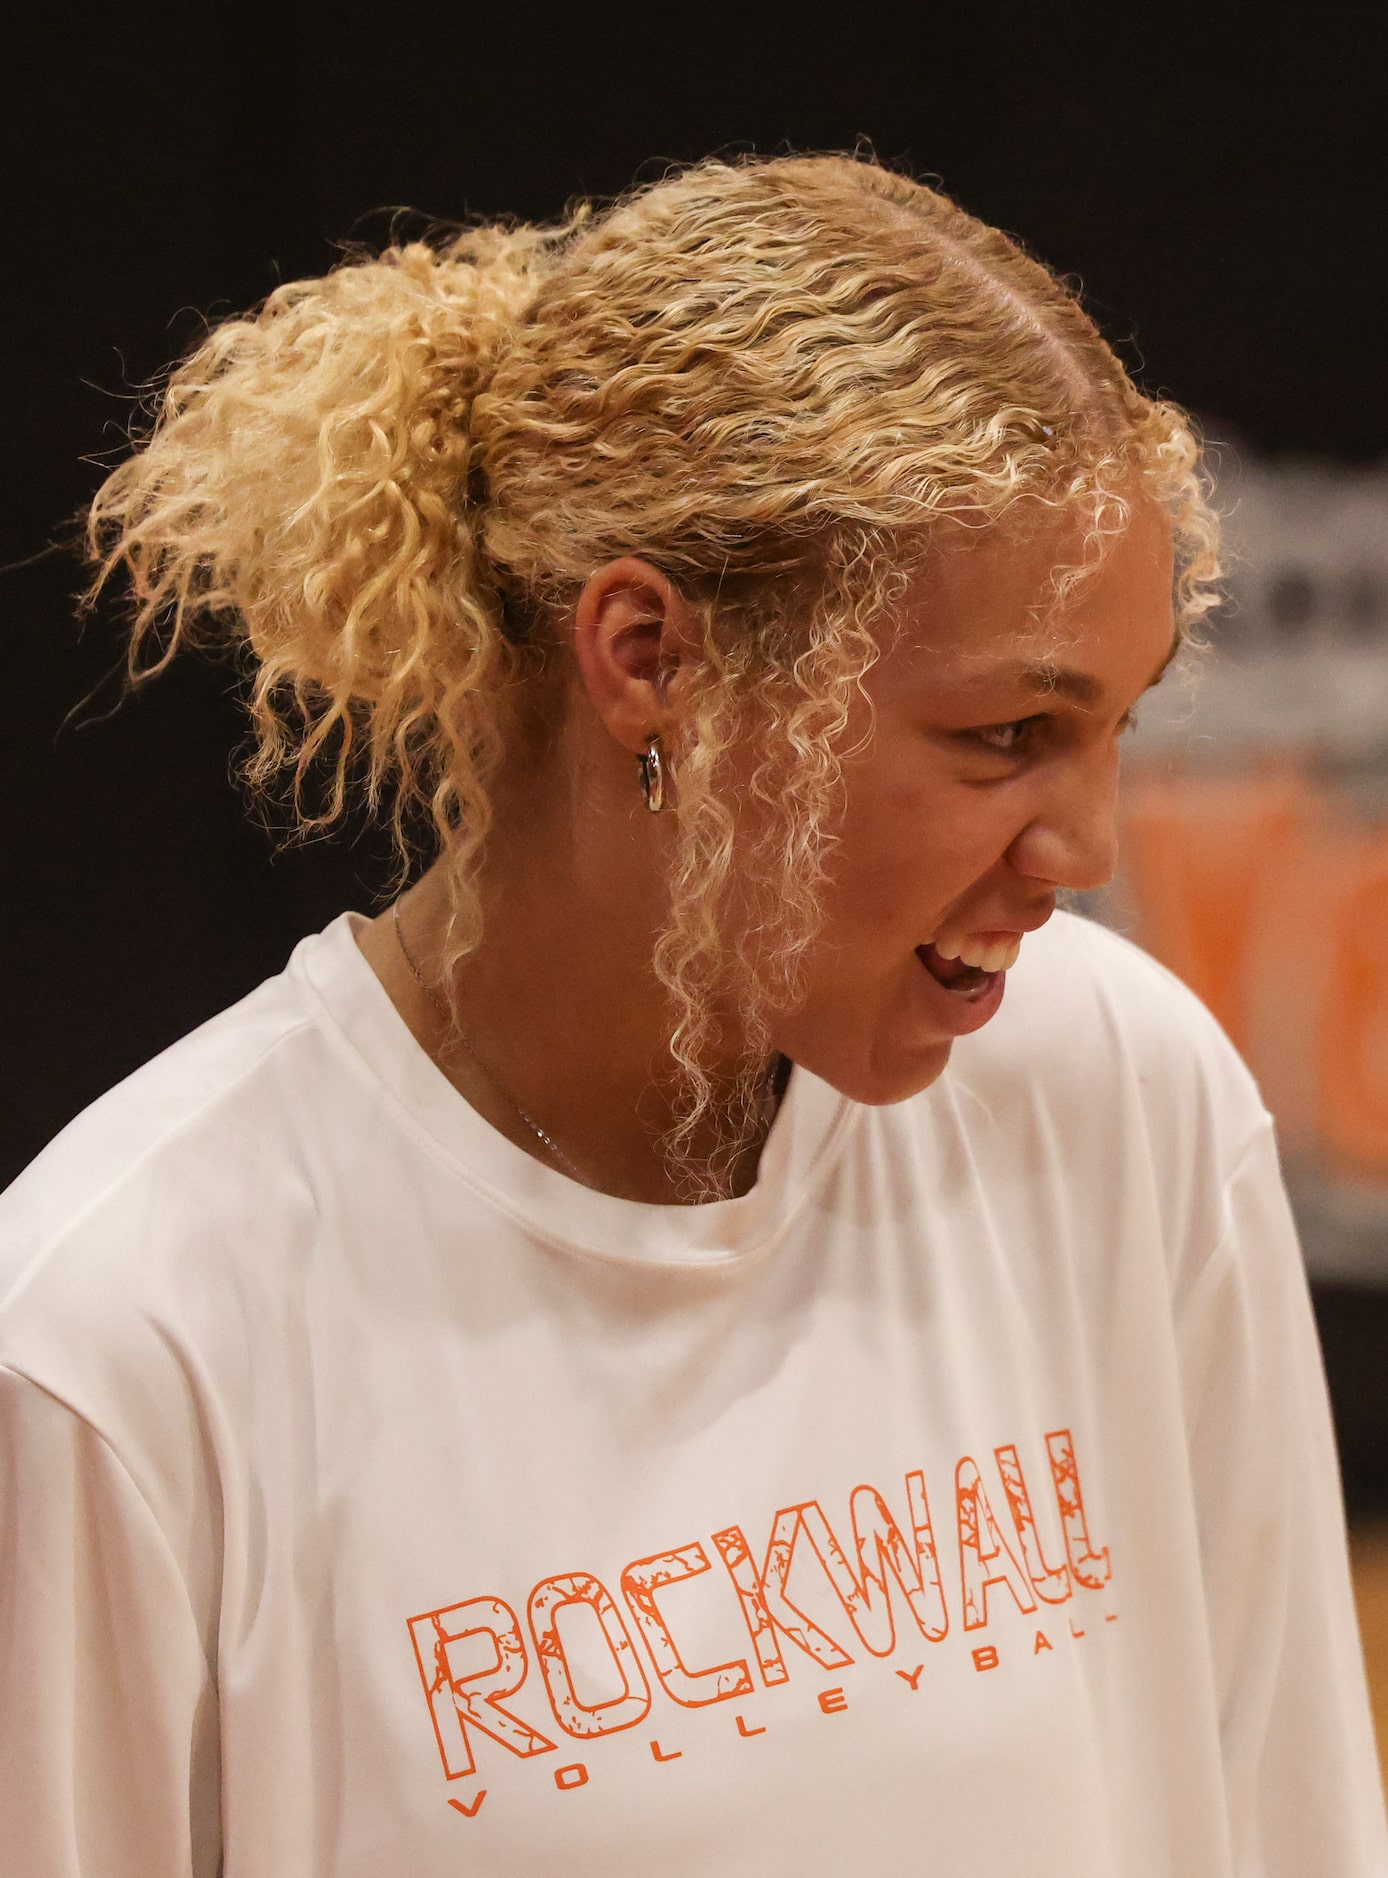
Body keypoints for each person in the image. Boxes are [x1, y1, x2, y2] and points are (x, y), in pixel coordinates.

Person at [1, 153, 1383, 1877]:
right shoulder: (119, 1340)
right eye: (1004, 735)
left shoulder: (1121, 1091)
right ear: (650, 656)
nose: (1087, 849)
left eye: (1116, 727)